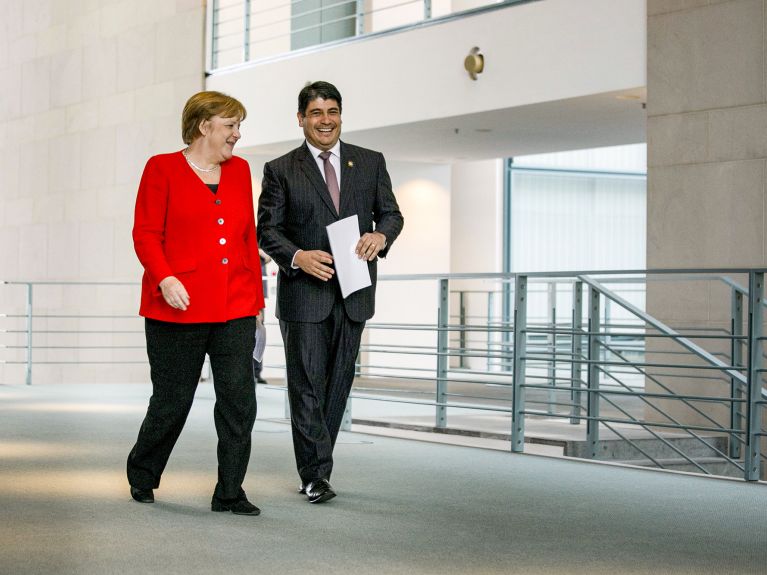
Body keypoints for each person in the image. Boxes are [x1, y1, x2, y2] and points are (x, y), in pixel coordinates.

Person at [257, 81, 404, 504]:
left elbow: (391, 213)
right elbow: (267, 229)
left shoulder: (370, 162)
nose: (326, 120)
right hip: (305, 294)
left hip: (355, 292)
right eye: (317, 113)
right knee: (305, 385)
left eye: (333, 111)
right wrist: (297, 256)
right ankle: (315, 474)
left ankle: (317, 466)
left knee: (338, 383)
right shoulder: (281, 169)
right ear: (301, 118)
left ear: (341, 115)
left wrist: (381, 237)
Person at [127, 91, 265, 516]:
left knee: (240, 402)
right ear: (204, 126)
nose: (237, 135)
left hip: (235, 306)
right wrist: (165, 277)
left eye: (238, 126)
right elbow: (146, 234)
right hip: (177, 306)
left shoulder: (240, 171)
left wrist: (256, 304)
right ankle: (143, 473)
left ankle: (230, 491)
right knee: (172, 400)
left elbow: (246, 239)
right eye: (231, 125)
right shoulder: (162, 168)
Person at [252, 249, 271, 385]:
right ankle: (251, 371)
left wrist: (258, 251)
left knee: (259, 331)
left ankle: (257, 371)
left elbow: (269, 257)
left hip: (259, 291)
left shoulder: (260, 238)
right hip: (248, 289)